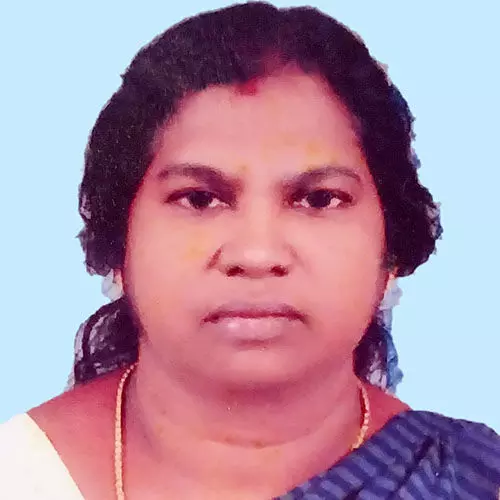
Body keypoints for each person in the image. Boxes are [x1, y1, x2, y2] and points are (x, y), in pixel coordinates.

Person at [1, 2, 499, 499]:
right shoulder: (19, 476)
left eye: (318, 199)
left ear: (391, 249)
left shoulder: (471, 480)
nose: (257, 254)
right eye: (199, 199)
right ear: (119, 244)